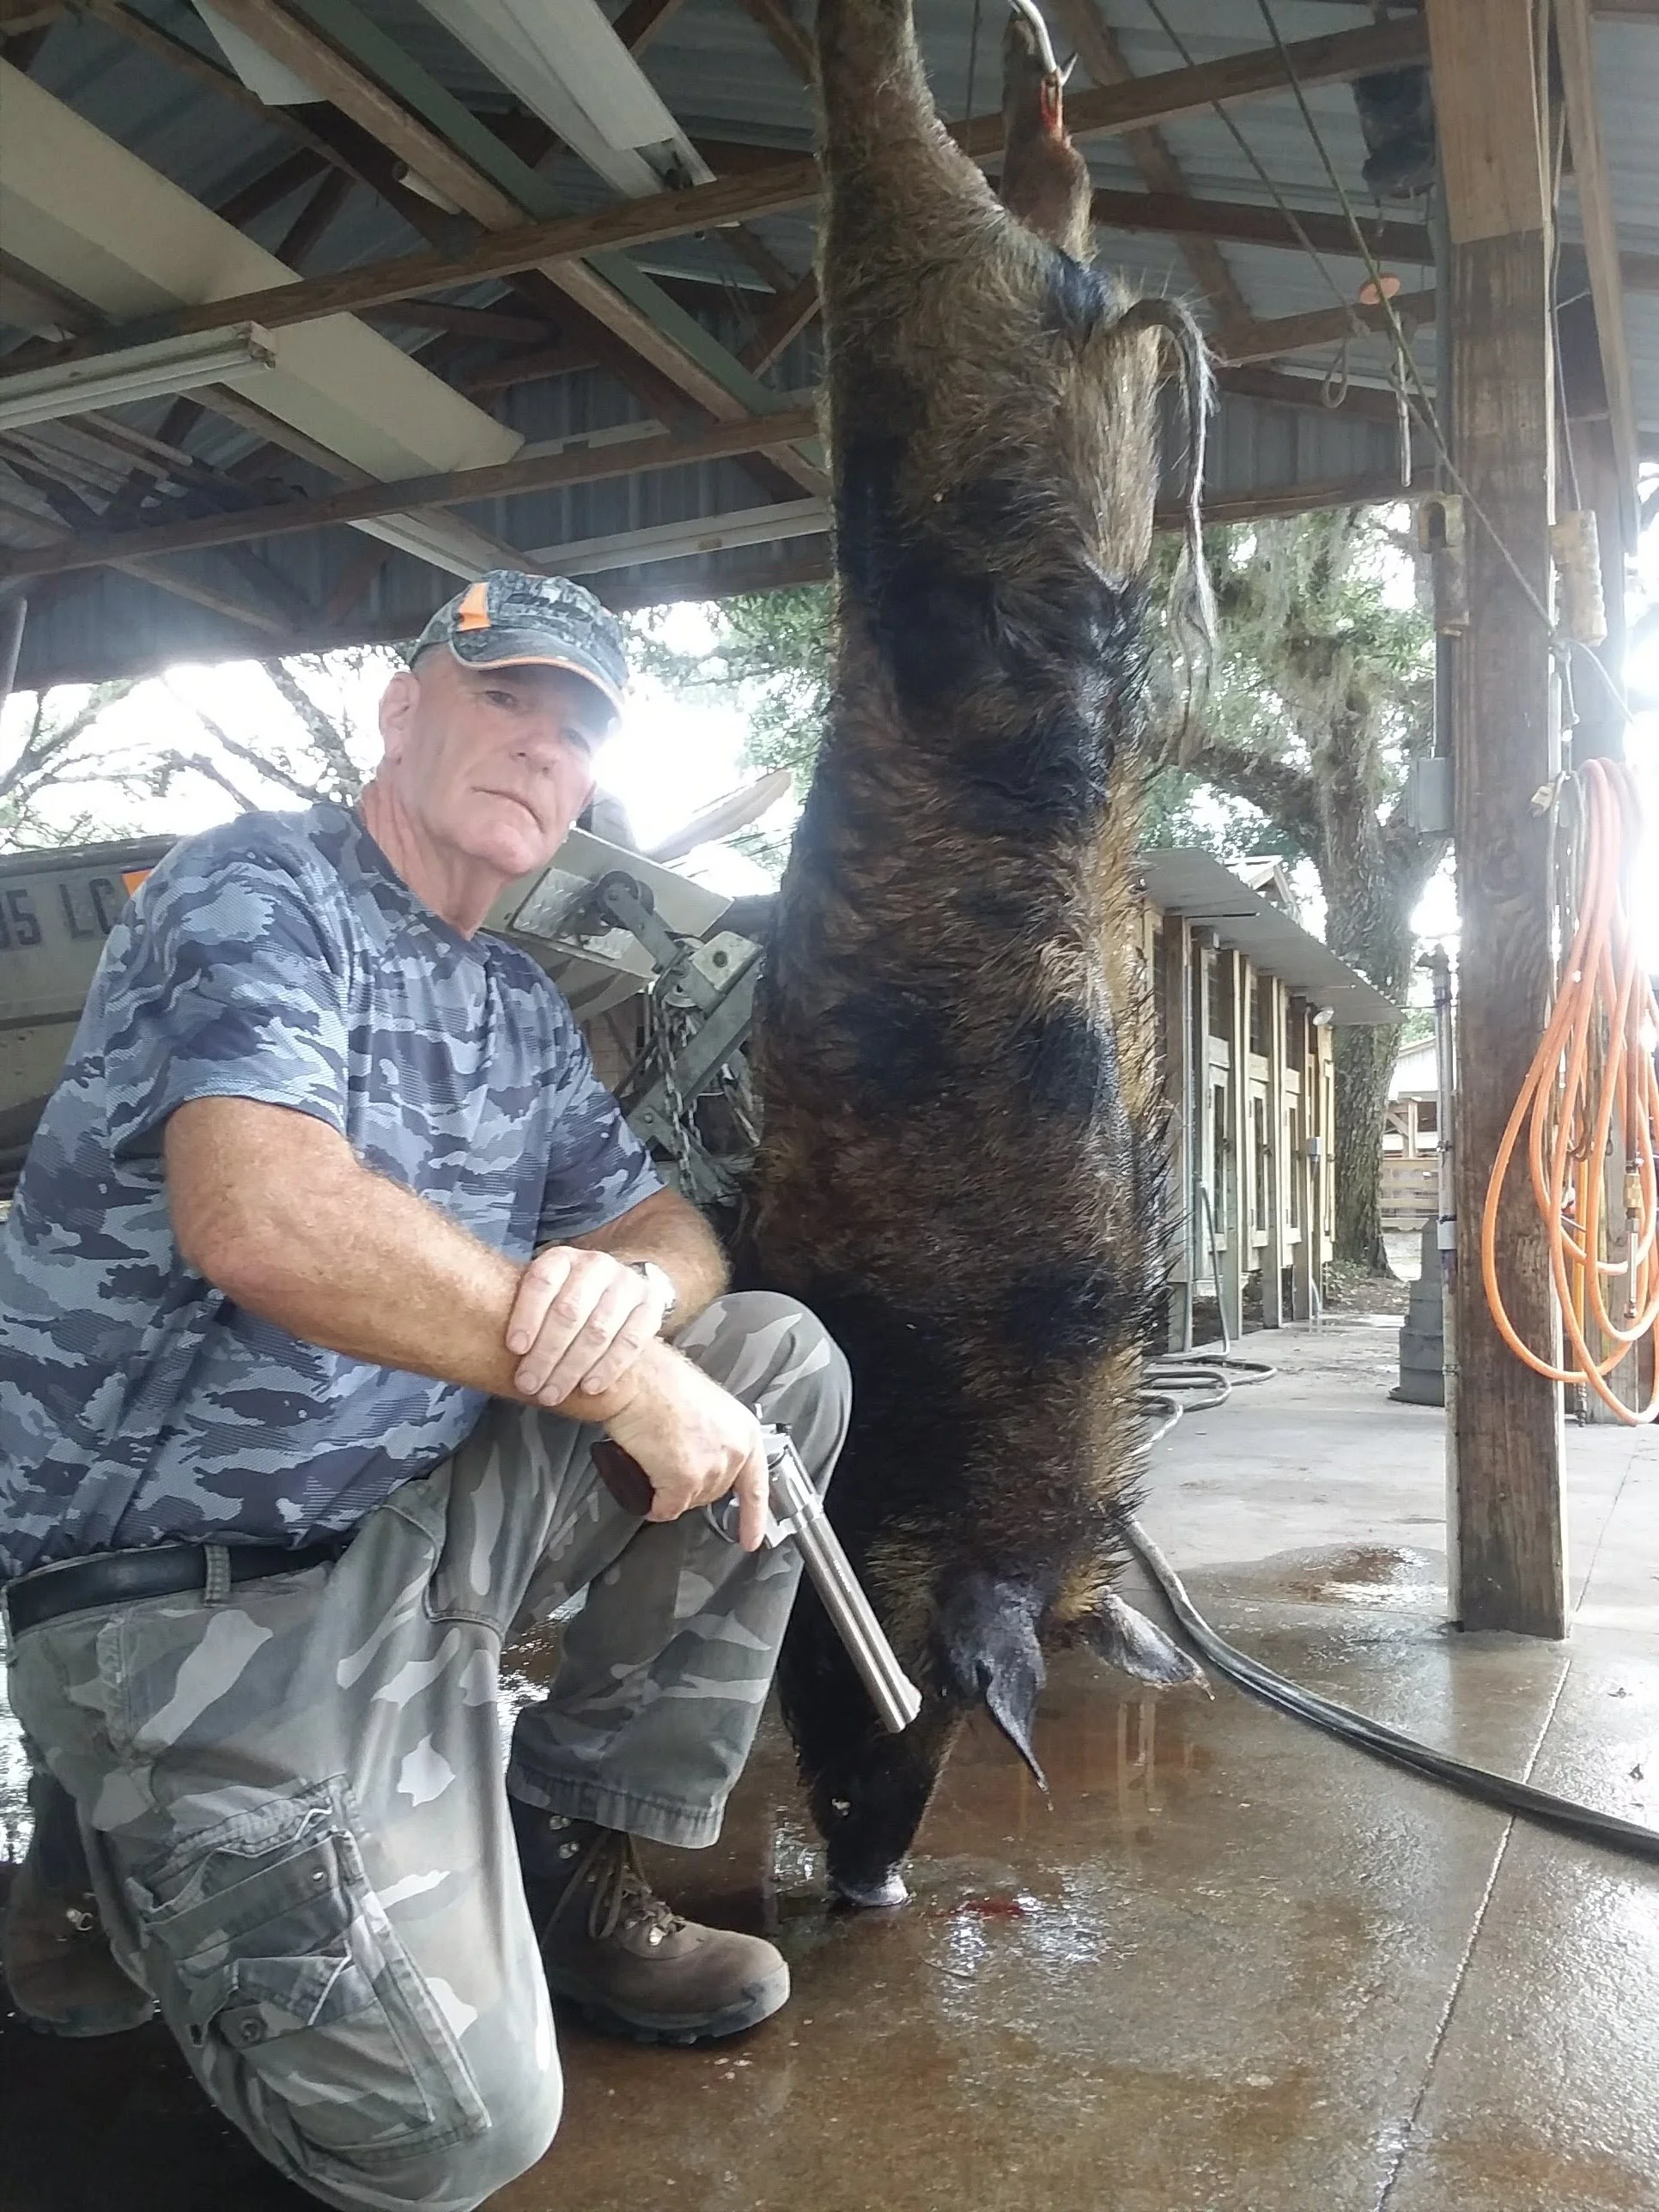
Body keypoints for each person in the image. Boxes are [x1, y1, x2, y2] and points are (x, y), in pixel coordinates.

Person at [0, 571, 850, 2211]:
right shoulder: (258, 890)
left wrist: (635, 1297)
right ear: (402, 714)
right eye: (505, 700)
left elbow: (675, 1227)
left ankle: (568, 1845)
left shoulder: (516, 1003)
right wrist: (614, 1375)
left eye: (577, 728)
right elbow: (261, 1211)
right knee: (451, 2138)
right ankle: (120, 1840)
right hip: (192, 1592)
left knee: (770, 1367)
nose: (543, 748)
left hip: (413, 1535)